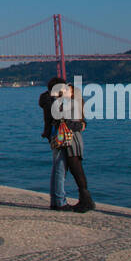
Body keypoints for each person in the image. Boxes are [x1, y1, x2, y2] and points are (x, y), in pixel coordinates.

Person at [46, 77, 96, 213]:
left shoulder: (71, 102)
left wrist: (81, 124)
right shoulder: (59, 101)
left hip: (71, 140)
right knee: (65, 169)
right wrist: (80, 125)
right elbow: (67, 120)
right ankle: (63, 201)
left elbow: (73, 120)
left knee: (71, 169)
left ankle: (79, 200)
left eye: (69, 89)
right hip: (65, 139)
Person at [38, 76, 72, 210]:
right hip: (59, 134)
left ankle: (55, 199)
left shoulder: (47, 99)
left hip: (52, 133)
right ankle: (60, 201)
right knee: (60, 167)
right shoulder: (55, 101)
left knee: (57, 167)